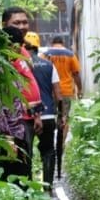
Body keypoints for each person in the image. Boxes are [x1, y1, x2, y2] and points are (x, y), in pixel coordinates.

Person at [0, 7, 42, 181]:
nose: (22, 26)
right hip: (8, 130)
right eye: (17, 22)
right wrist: (7, 138)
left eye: (24, 22)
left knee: (24, 173)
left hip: (21, 125)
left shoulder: (21, 53)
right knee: (11, 177)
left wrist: (35, 113)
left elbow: (26, 89)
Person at [24, 32, 60, 189]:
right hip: (48, 114)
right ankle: (47, 187)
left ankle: (27, 188)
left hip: (26, 116)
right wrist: (61, 115)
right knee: (48, 151)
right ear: (38, 47)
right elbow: (58, 95)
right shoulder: (49, 65)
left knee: (26, 153)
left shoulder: (19, 64)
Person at [46, 35, 83, 177]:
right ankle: (60, 144)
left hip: (50, 91)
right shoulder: (69, 54)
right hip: (66, 92)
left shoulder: (46, 54)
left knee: (50, 117)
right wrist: (80, 89)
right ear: (62, 43)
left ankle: (50, 144)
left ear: (52, 42)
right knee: (64, 118)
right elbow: (76, 74)